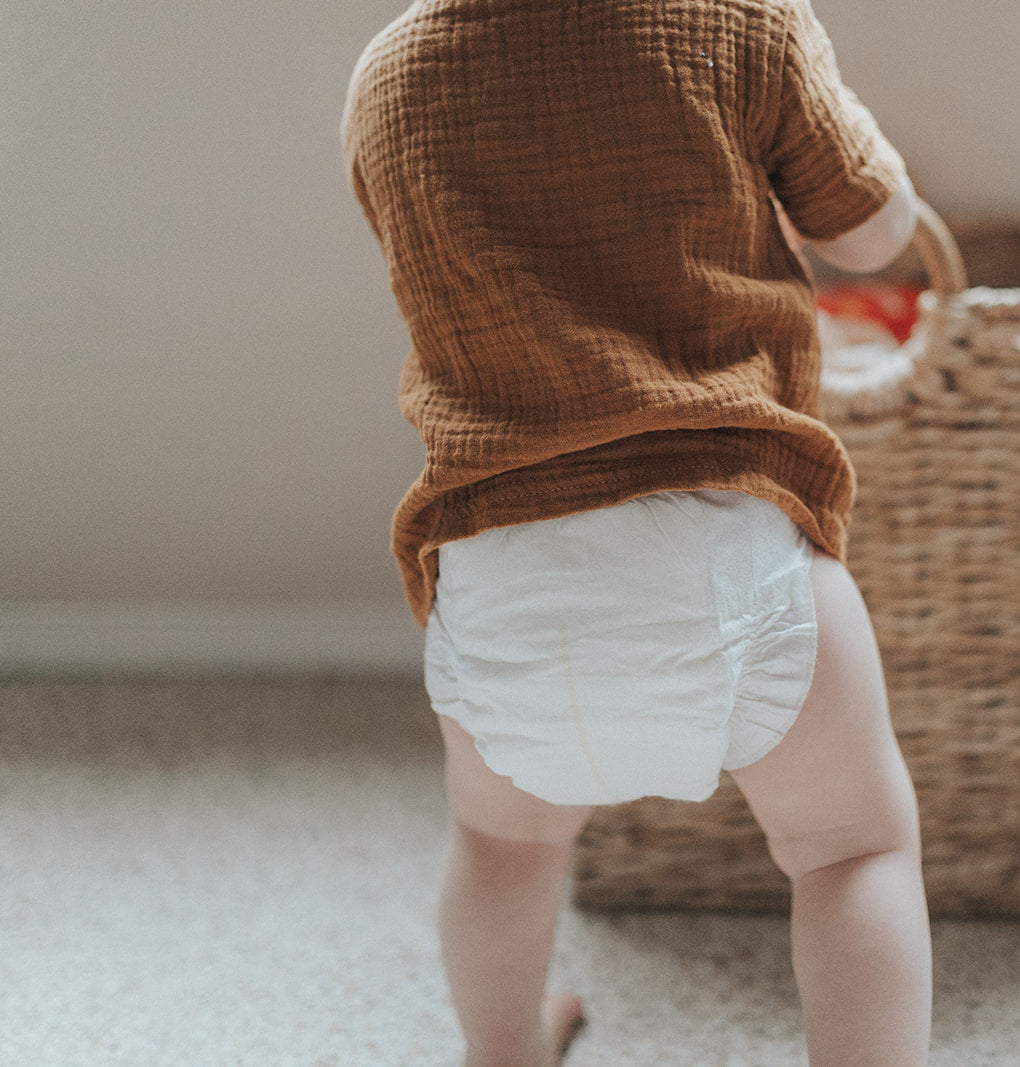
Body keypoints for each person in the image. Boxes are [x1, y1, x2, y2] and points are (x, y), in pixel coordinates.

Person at [341, 1, 930, 1063]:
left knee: (498, 845)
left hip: (499, 568)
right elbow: (874, 235)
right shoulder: (740, 19)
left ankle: (504, 1050)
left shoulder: (385, 77)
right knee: (854, 848)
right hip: (727, 539)